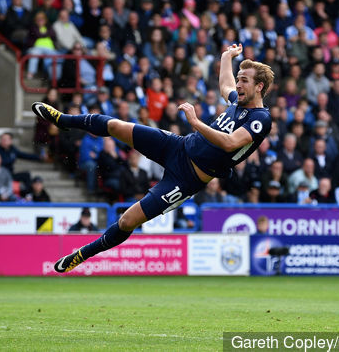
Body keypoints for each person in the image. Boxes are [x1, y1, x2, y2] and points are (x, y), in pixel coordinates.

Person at [33, 43, 273, 273]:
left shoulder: (260, 118)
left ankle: (82, 254)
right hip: (177, 146)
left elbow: (230, 143)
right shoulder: (237, 101)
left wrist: (196, 123)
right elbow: (225, 85)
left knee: (128, 220)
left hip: (187, 178)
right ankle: (62, 120)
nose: (238, 84)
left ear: (259, 87)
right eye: (239, 79)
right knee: (116, 126)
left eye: (244, 80)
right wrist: (225, 58)